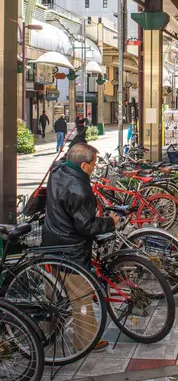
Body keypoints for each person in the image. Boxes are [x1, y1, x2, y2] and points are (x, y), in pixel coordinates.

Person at [42, 143, 116, 351]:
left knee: (52, 297)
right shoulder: (79, 189)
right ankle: (86, 341)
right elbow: (87, 226)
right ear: (83, 165)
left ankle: (42, 334)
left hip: (50, 244)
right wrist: (111, 222)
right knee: (81, 296)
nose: (95, 167)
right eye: (93, 163)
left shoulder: (57, 171)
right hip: (71, 250)